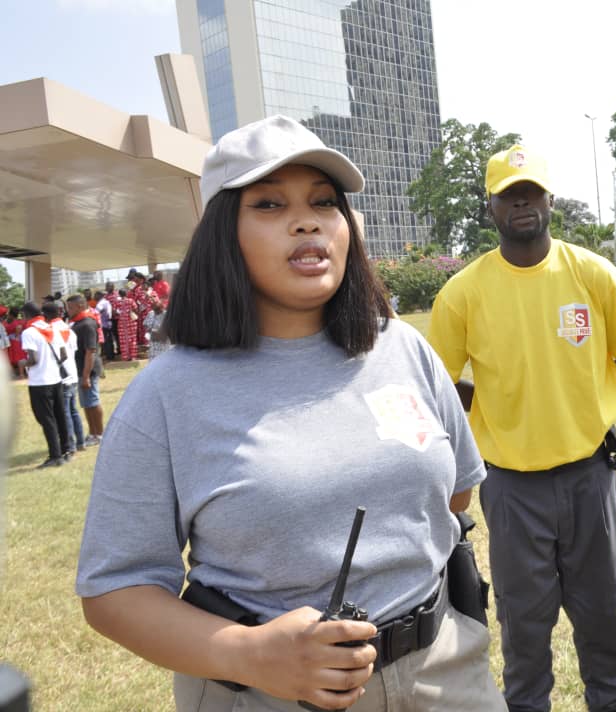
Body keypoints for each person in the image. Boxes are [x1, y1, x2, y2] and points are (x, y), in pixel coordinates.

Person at [76, 114, 506, 712]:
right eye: (270, 204)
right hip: (266, 696)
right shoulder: (166, 394)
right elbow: (114, 590)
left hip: (445, 673)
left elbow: (453, 496)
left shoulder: (403, 348)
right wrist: (249, 653)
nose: (306, 221)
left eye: (324, 202)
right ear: (223, 233)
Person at [428, 144, 616, 712]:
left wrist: (584, 402)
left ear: (549, 198)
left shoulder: (594, 275)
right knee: (525, 624)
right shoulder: (463, 293)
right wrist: (491, 405)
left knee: (601, 614)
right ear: (491, 207)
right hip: (510, 486)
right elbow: (441, 382)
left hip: (590, 475)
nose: (521, 201)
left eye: (531, 190)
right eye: (508, 194)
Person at [17, 301, 70, 468]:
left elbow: (33, 359)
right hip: (56, 379)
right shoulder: (52, 328)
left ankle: (55, 456)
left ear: (26, 315)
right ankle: (65, 450)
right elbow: (63, 356)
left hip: (40, 382)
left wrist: (22, 363)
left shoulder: (29, 332)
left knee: (46, 419)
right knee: (59, 416)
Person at [66, 294, 105, 446]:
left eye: (70, 307)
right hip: (80, 369)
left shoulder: (87, 324)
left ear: (80, 306)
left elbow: (91, 351)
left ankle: (100, 434)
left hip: (88, 369)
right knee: (86, 403)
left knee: (93, 402)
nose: (68, 310)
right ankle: (92, 433)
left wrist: (86, 376)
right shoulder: (76, 323)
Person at [54, 308, 85, 456]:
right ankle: (80, 442)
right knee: (73, 410)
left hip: (62, 376)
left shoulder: (52, 331)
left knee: (65, 412)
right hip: (72, 373)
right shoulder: (70, 330)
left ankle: (70, 445)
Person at [114, 288, 137, 361]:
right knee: (132, 339)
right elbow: (136, 308)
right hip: (131, 322)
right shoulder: (130, 301)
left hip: (121, 324)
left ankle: (125, 357)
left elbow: (114, 312)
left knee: (123, 340)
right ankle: (133, 356)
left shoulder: (117, 302)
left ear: (119, 294)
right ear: (126, 294)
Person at [94, 290, 115, 361]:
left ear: (99, 295)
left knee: (106, 341)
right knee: (110, 340)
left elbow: (96, 313)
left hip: (103, 324)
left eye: (95, 295)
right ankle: (111, 355)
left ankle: (109, 357)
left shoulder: (100, 303)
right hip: (108, 323)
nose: (94, 297)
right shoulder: (107, 302)